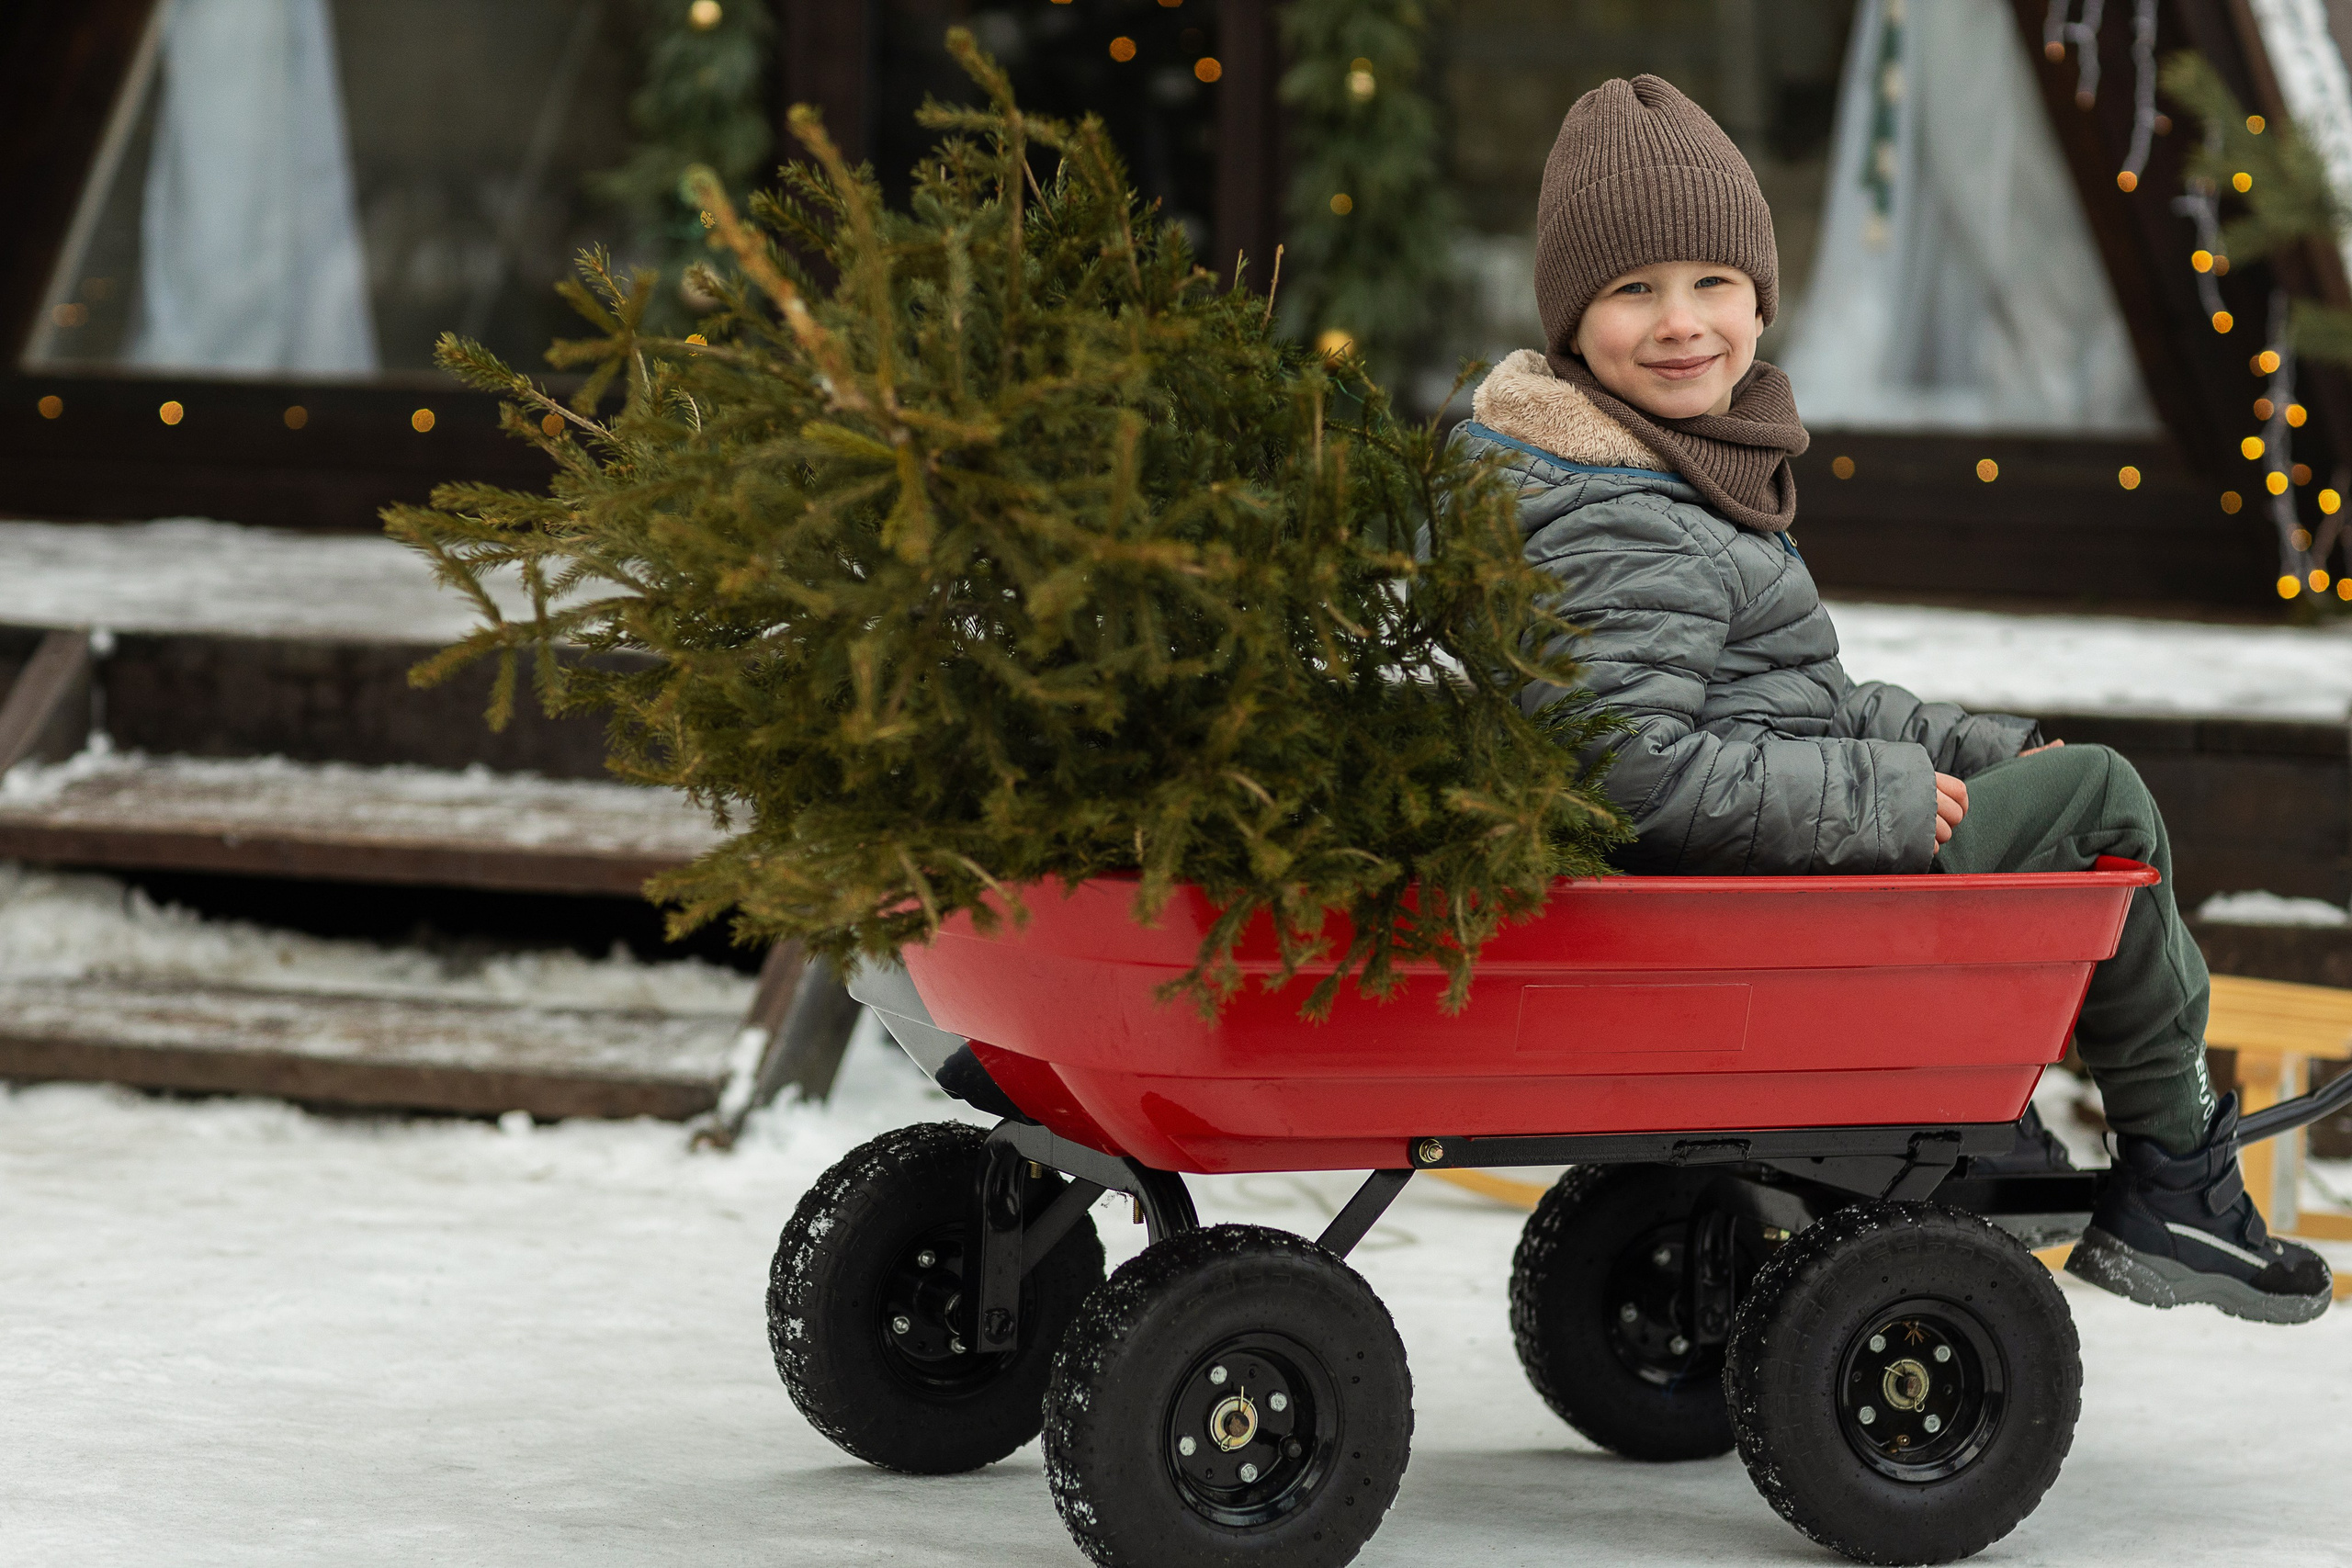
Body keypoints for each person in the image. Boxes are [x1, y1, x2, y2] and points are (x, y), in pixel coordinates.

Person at [1458, 74, 2331, 1324]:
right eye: (1632, 289)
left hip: (1744, 872)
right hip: (1727, 908)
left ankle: (2015, 1110)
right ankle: (2177, 1180)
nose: (1682, 323)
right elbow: (1627, 770)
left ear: (1761, 294)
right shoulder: (1620, 512)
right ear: (1570, 318)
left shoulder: (1654, 469)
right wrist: (1885, 795)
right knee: (2105, 802)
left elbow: (1790, 704)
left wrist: (1983, 748)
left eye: (1714, 282)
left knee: (2052, 777)